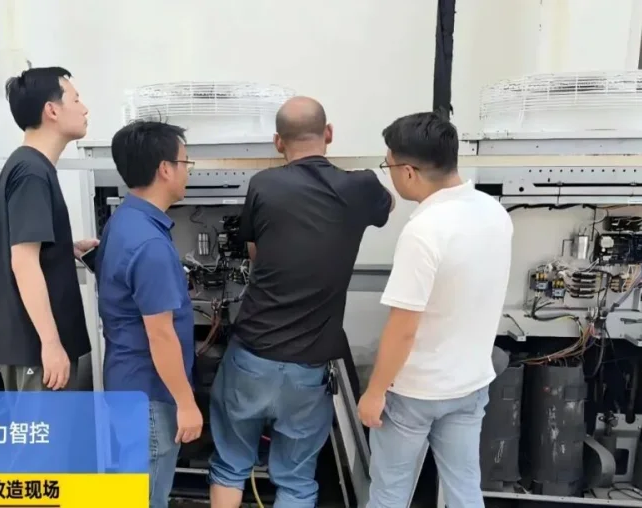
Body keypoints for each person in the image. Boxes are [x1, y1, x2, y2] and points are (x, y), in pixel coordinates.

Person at [209, 96, 396, 508]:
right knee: (295, 482)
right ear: (328, 134)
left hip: (251, 356)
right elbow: (389, 205)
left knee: (229, 467)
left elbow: (255, 252)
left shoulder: (263, 184)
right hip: (308, 368)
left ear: (278, 142)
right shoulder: (362, 186)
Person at [358, 111, 513, 508]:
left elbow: (404, 327)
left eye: (388, 166)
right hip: (469, 384)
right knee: (464, 490)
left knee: (390, 494)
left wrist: (375, 392)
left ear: (408, 172)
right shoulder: (494, 212)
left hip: (415, 391)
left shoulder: (424, 230)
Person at [95, 120, 203, 508]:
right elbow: (160, 334)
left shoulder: (124, 221)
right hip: (152, 395)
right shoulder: (150, 243)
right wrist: (186, 403)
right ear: (165, 169)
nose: (188, 171)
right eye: (185, 162)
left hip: (127, 382)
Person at [0, 66, 98, 392]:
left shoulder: (30, 166)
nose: (85, 109)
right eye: (75, 99)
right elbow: (23, 261)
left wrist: (63, 248)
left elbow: (28, 248)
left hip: (33, 346)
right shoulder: (32, 172)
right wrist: (51, 343)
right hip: (36, 349)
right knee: (45, 428)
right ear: (52, 111)